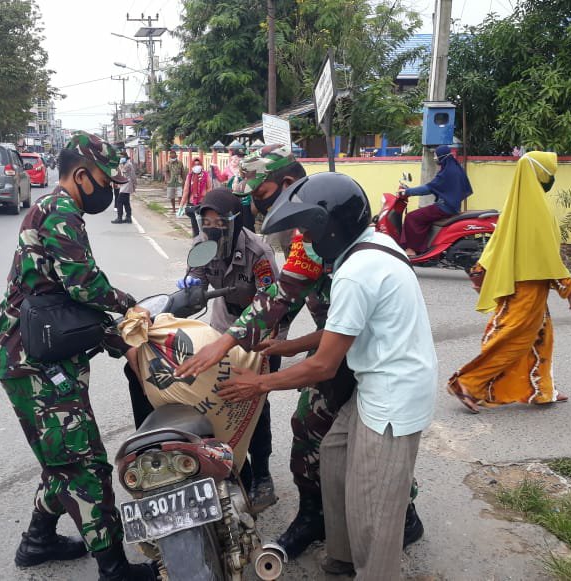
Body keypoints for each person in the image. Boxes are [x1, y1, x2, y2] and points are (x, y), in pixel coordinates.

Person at [174, 144, 426, 560]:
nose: (257, 204)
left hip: (358, 355)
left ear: (288, 184)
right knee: (323, 433)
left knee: (320, 430)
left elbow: (280, 296)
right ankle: (330, 514)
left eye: (261, 193)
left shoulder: (320, 232)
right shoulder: (317, 228)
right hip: (342, 341)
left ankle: (365, 516)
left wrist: (228, 349)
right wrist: (285, 344)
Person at [0, 131, 156, 580]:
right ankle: (114, 569)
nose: (108, 188)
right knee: (83, 464)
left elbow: (65, 293)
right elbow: (83, 283)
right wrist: (129, 304)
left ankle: (38, 541)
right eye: (105, 179)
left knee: (61, 457)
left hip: (37, 355)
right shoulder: (61, 211)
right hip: (36, 364)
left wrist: (111, 333)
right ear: (82, 175)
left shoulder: (53, 209)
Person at [447, 152, 571, 414]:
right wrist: (570, 290)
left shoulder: (517, 206)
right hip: (527, 287)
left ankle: (541, 389)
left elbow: (497, 244)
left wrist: (482, 271)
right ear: (540, 175)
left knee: (540, 337)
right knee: (512, 340)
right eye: (549, 172)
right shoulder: (535, 210)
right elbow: (546, 257)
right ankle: (467, 383)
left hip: (519, 285)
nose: (552, 178)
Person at [177, 187, 283, 511]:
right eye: (206, 221)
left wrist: (246, 341)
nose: (211, 228)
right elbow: (195, 276)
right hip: (223, 325)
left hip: (263, 329)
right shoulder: (201, 245)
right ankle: (238, 467)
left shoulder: (257, 250)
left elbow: (271, 301)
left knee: (255, 400)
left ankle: (262, 473)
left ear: (234, 221)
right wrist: (188, 289)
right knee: (222, 398)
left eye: (219, 222)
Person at [398, 144, 473, 256]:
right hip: (452, 206)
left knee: (411, 217)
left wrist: (408, 192)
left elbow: (429, 188)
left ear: (442, 157)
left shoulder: (446, 172)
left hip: (444, 208)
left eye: (436, 156)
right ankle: (425, 245)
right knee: (423, 217)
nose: (435, 159)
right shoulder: (456, 168)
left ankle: (412, 249)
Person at [179, 157, 212, 236]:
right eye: (195, 164)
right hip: (193, 203)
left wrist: (207, 199)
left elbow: (209, 188)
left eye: (198, 164)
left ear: (201, 165)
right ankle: (196, 239)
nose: (197, 166)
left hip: (203, 203)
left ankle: (204, 238)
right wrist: (181, 205)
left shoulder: (206, 175)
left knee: (204, 223)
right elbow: (186, 190)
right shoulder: (189, 176)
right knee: (194, 223)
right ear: (192, 166)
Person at [111, 153, 135, 224]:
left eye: (122, 157)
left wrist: (134, 184)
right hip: (125, 185)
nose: (121, 158)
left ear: (125, 157)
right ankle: (128, 217)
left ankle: (119, 218)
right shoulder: (125, 164)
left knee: (119, 201)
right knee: (126, 202)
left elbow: (121, 172)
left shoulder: (128, 165)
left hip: (126, 185)